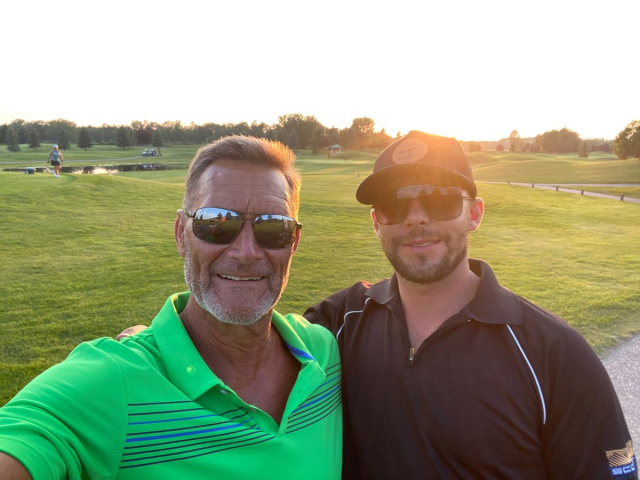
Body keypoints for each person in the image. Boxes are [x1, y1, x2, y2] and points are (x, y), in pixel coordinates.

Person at [0, 136, 342, 480]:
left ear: (294, 243)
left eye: (274, 227)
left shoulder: (324, 352)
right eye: (216, 223)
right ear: (182, 234)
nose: (246, 252)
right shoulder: (111, 379)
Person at [302, 130, 637, 479]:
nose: (416, 218)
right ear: (376, 223)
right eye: (393, 203)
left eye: (439, 198)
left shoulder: (555, 353)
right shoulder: (338, 321)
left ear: (474, 214)